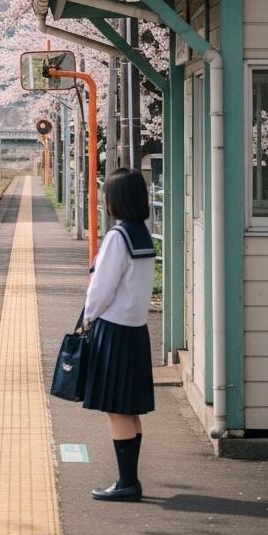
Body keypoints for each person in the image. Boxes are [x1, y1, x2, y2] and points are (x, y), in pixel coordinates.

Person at [80, 167, 156, 502]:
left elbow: (101, 288)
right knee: (129, 408)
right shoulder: (142, 234)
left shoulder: (117, 237)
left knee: (118, 409)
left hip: (114, 330)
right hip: (136, 329)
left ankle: (127, 483)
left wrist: (86, 318)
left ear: (116, 200)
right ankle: (130, 479)